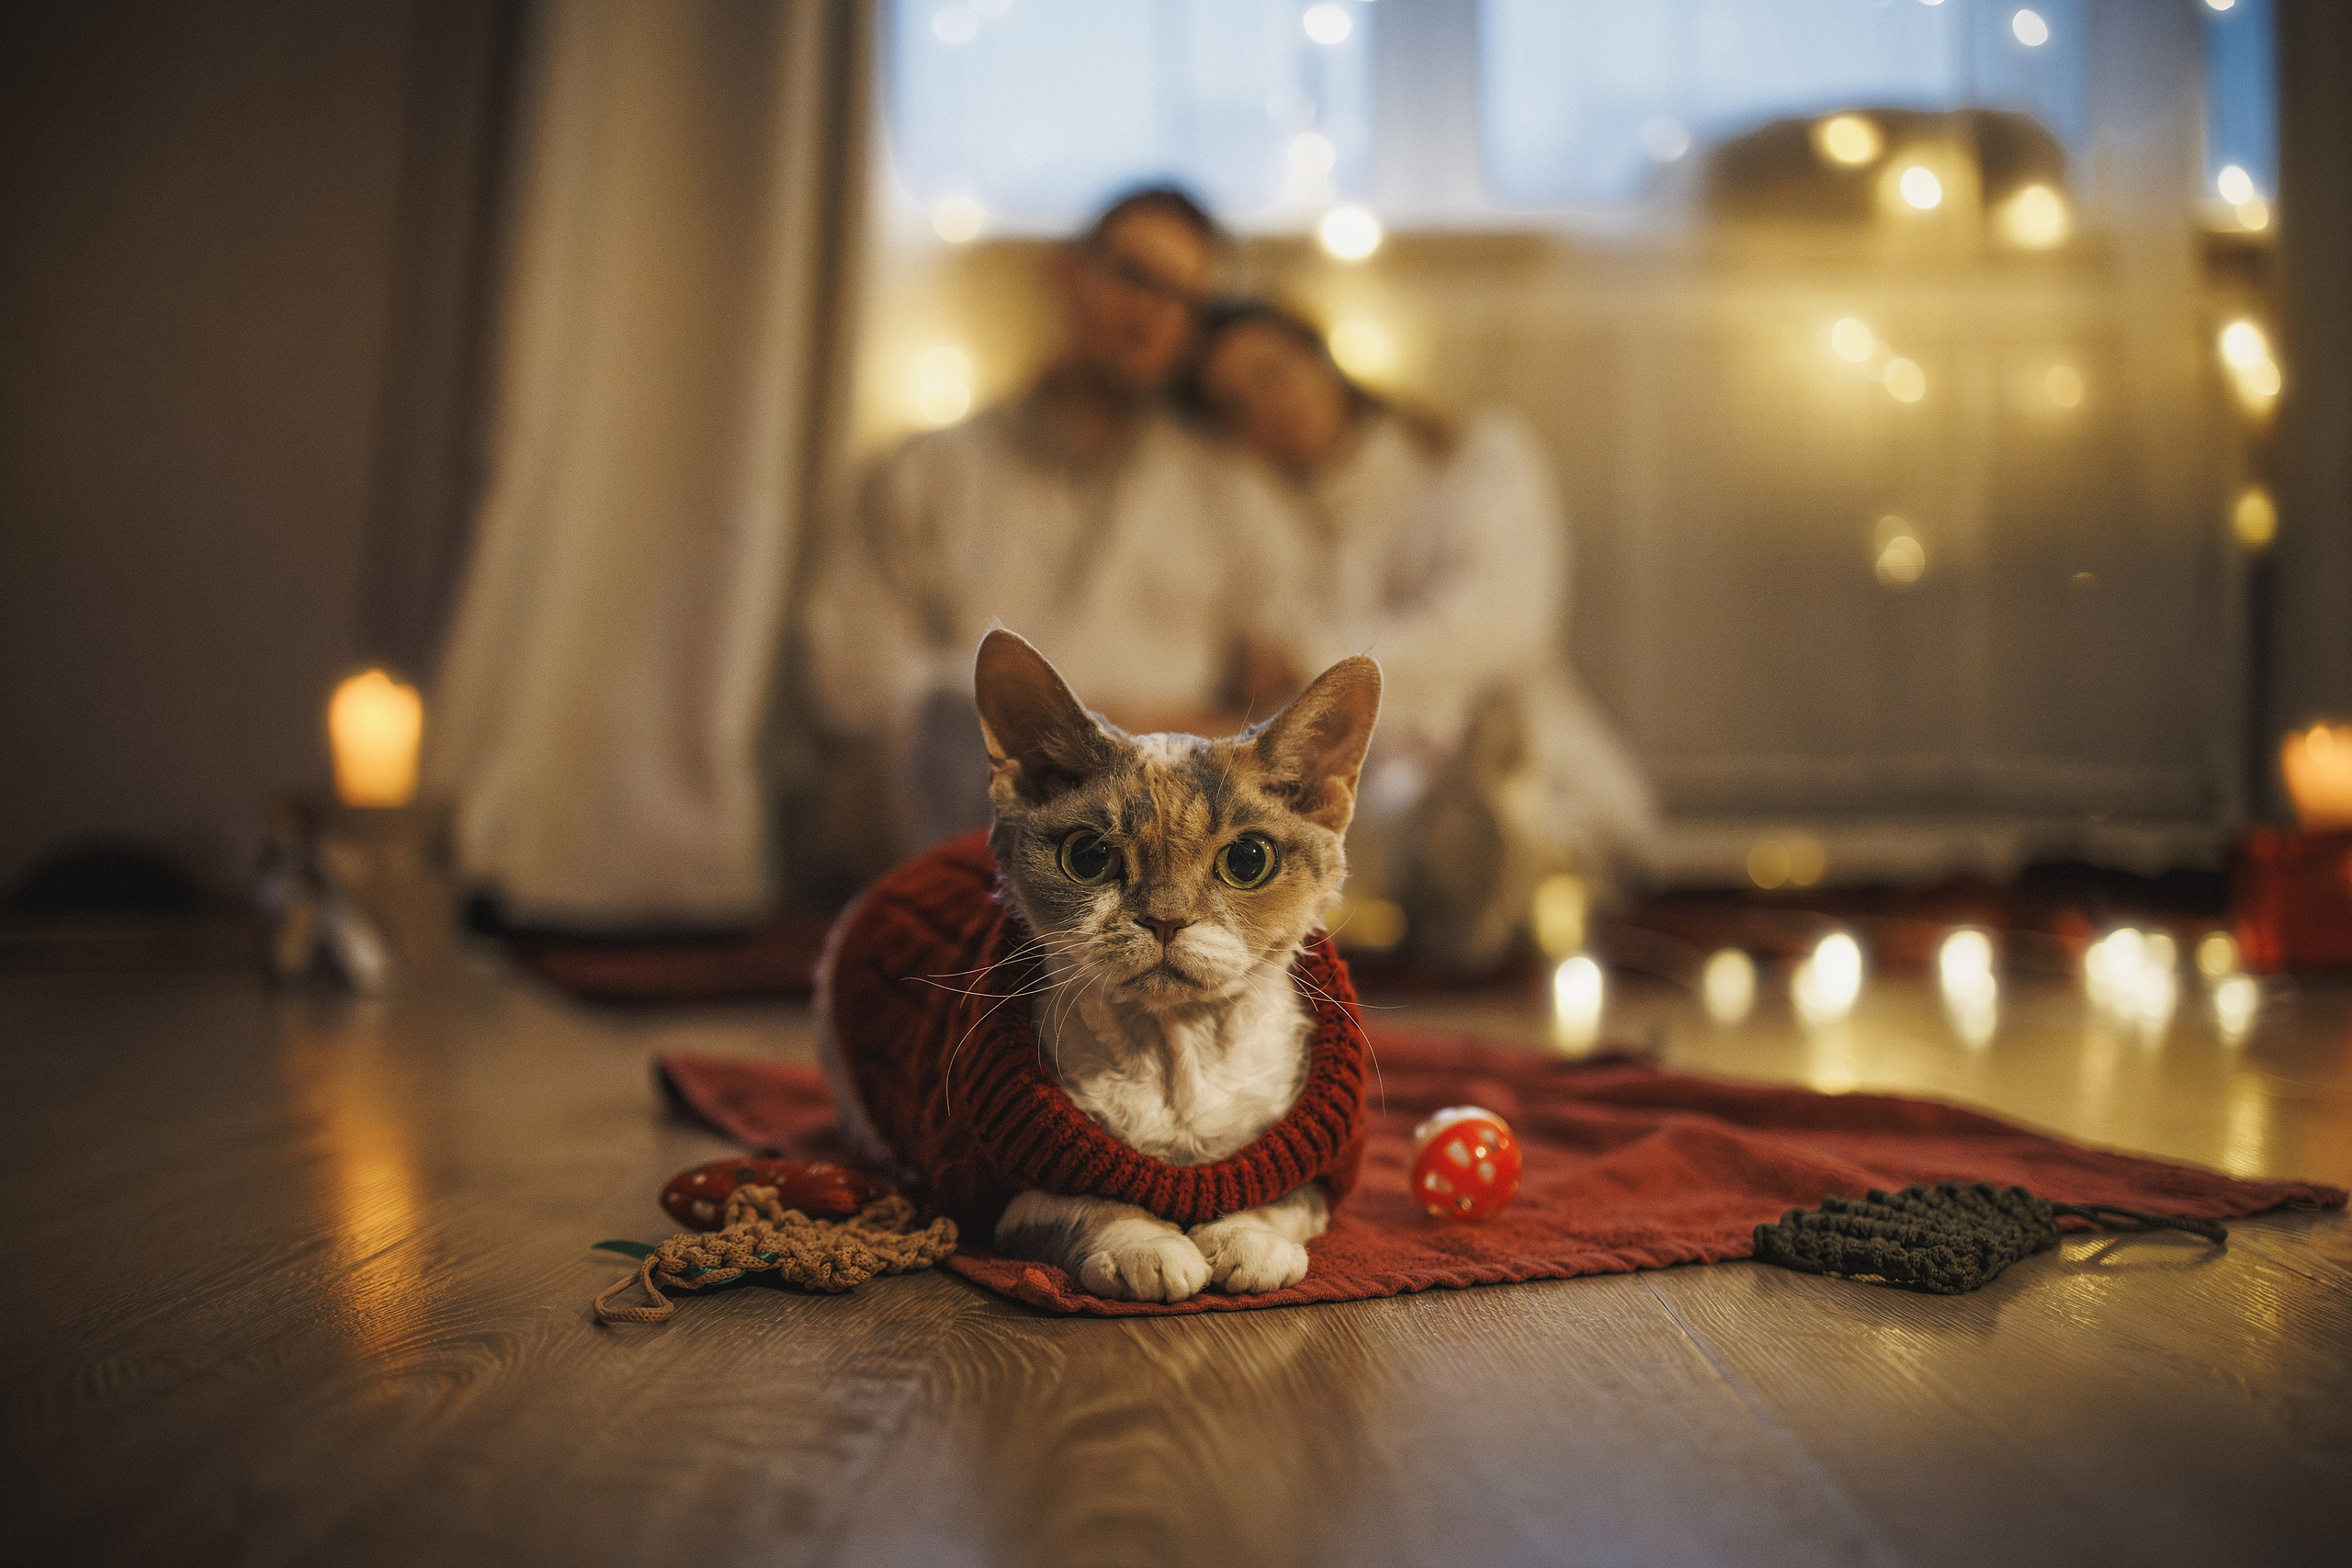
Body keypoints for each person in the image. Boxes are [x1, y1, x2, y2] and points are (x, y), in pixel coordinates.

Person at [797, 188, 1299, 873]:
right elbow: (852, 665)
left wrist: (1168, 739)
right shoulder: (931, 472)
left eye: (1184, 299)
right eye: (1135, 277)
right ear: (1069, 273)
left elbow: (1287, 672)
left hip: (1179, 817)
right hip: (979, 797)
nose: (1151, 314)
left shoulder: (1234, 495)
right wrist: (1042, 739)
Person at [1190, 299, 1661, 970]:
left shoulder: (1477, 456)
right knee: (1380, 809)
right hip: (1381, 777)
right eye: (1235, 406)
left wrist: (1309, 655)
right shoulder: (1264, 520)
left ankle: (1492, 842)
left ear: (1321, 358)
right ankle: (1463, 862)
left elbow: (1502, 626)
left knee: (1511, 785)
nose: (1268, 407)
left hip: (1520, 734)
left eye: (1273, 373)